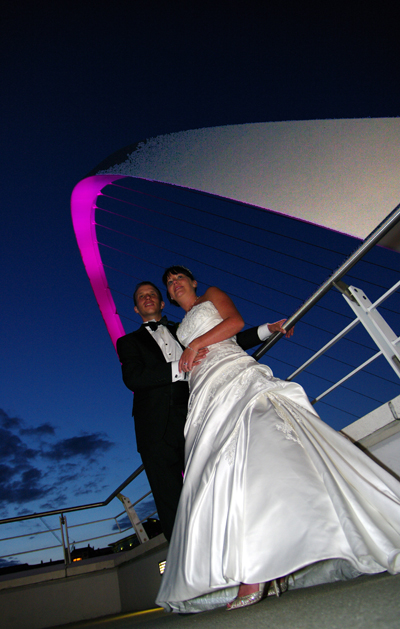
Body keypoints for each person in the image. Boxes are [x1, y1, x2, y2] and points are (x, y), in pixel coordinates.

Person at [156, 265, 400, 613]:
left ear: (193, 282)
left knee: (260, 443)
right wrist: (192, 353)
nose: (174, 283)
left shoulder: (210, 295)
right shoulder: (176, 327)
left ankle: (255, 570)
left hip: (233, 375)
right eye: (169, 283)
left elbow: (233, 325)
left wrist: (198, 343)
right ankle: (262, 557)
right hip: (203, 388)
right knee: (220, 466)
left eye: (179, 277)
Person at [116, 280, 287, 542]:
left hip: (196, 415)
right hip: (154, 428)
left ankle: (233, 544)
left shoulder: (185, 331)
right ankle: (186, 567)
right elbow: (134, 378)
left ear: (163, 303)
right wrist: (181, 366)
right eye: (141, 296)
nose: (147, 298)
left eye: (152, 294)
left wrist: (267, 330)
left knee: (214, 482)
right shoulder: (127, 342)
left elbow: (228, 339)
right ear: (136, 309)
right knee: (171, 501)